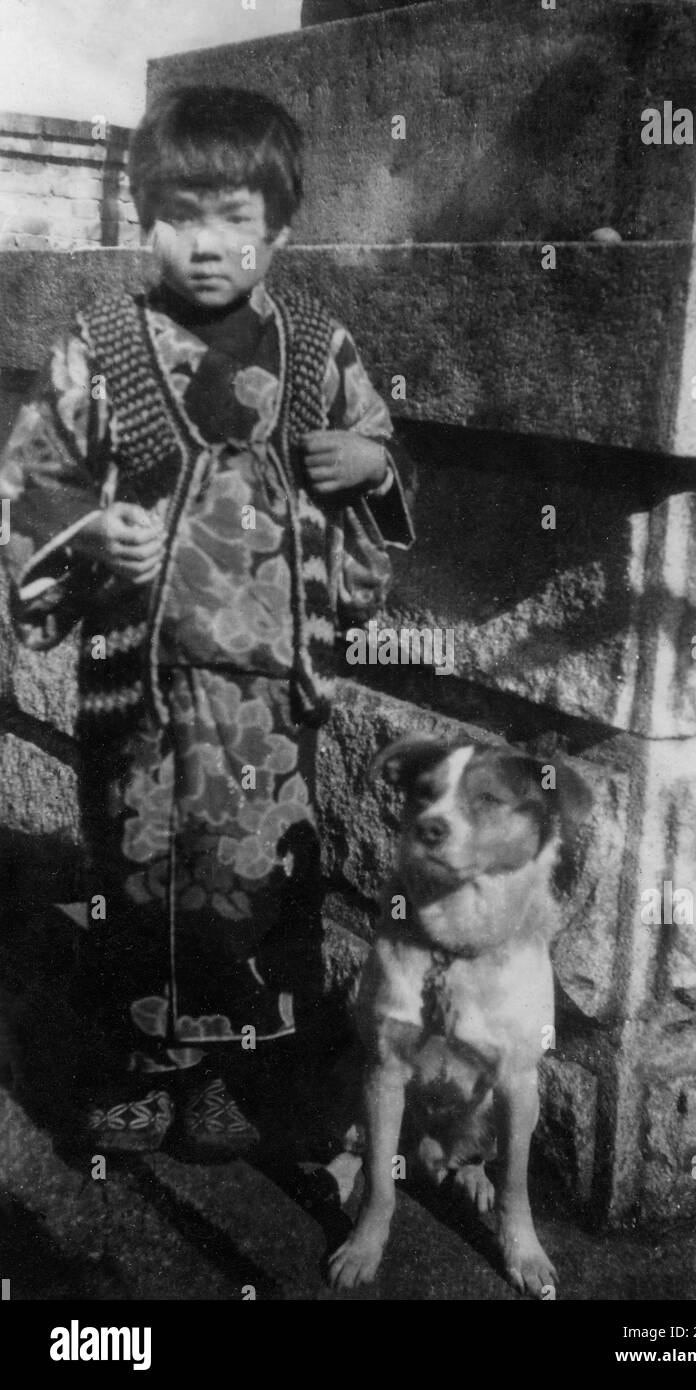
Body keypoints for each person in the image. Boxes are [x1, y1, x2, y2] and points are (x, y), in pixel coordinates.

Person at [0, 85, 414, 1156]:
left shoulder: (319, 354)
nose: (206, 244)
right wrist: (90, 536)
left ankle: (245, 1072)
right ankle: (141, 1068)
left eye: (236, 218)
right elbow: (34, 485)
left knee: (261, 877)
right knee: (137, 874)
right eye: (180, 215)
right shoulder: (103, 350)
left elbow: (377, 491)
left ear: (277, 228)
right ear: (143, 219)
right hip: (137, 688)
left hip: (269, 699)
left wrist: (369, 466)